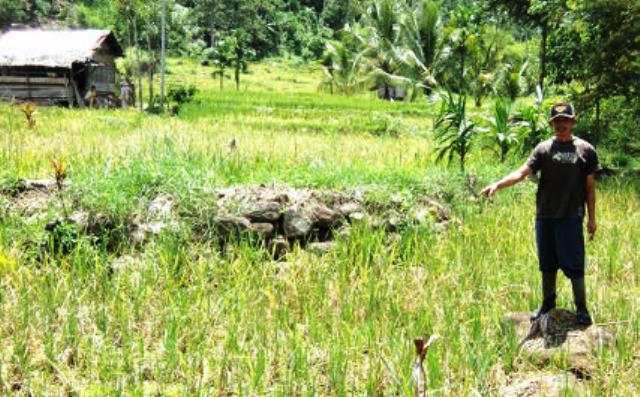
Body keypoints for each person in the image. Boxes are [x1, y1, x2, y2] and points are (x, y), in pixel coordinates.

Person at [480, 102, 599, 326]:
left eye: (565, 120)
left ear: (573, 122)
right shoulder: (543, 149)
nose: (561, 124)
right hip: (545, 215)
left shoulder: (586, 151)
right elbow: (522, 173)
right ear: (551, 124)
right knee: (547, 262)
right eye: (557, 121)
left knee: (574, 263)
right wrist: (498, 184)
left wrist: (592, 218)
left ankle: (581, 308)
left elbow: (590, 188)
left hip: (572, 216)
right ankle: (548, 303)